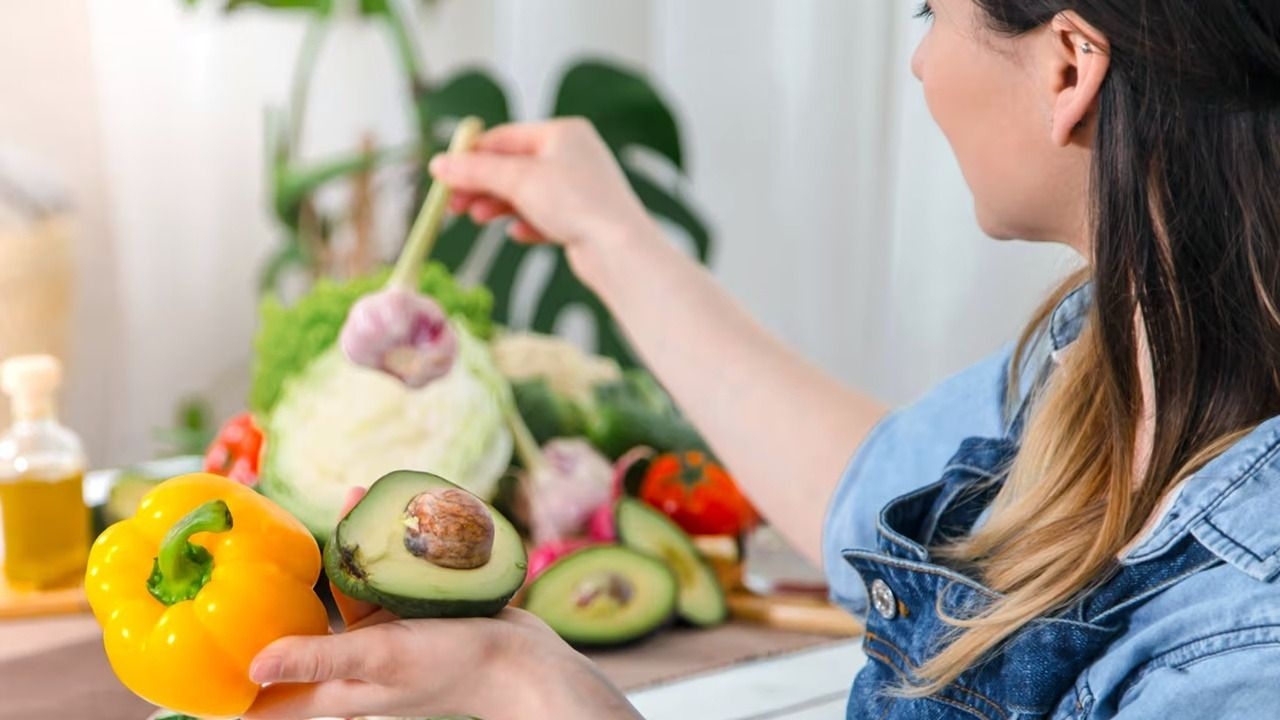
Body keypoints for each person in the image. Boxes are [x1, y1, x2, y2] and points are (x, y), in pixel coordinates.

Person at [242, 1, 1280, 718]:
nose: (921, 61)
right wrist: (606, 235)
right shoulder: (1116, 352)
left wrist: (529, 687)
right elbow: (873, 488)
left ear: (1067, 64)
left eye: (930, 14)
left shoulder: (1247, 641)